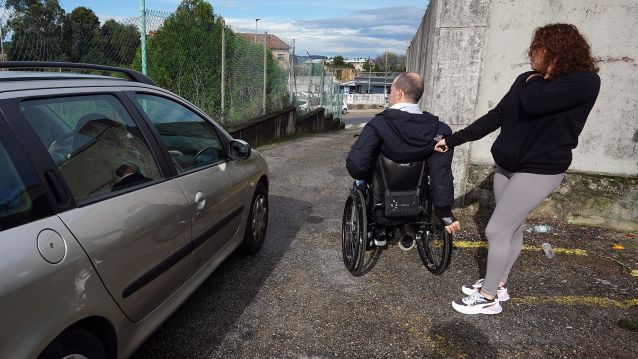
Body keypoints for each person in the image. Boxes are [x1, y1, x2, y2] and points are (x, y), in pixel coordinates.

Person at [434, 23, 601, 315]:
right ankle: (498, 284)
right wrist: (453, 140)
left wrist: (534, 79)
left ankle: (487, 297)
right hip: (508, 166)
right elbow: (496, 116)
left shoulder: (584, 82)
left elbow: (537, 103)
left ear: (553, 51)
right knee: (511, 228)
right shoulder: (527, 79)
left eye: (535, 50)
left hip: (540, 170)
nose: (530, 56)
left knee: (496, 230)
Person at [346, 72, 461, 247]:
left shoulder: (378, 125)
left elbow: (356, 165)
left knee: (361, 177)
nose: (389, 95)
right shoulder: (439, 130)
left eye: (390, 90)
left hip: (381, 198)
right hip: (417, 199)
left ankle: (378, 230)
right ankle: (409, 228)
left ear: (399, 93)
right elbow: (441, 173)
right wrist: (444, 209)